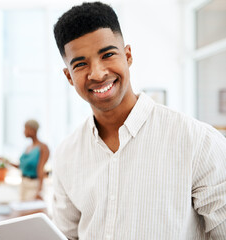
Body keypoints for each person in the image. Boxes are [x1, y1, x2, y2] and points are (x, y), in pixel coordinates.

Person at [52, 2, 226, 240]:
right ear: (69, 77)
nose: (98, 73)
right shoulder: (66, 155)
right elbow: (65, 236)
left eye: (108, 55)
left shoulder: (197, 141)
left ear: (128, 55)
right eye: (81, 64)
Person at [0, 119, 49, 201]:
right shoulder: (28, 148)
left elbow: (40, 169)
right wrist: (6, 161)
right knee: (22, 210)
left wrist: (39, 191)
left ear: (32, 130)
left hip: (34, 185)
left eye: (26, 129)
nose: (24, 131)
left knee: (30, 210)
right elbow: (21, 166)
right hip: (23, 183)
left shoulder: (43, 148)